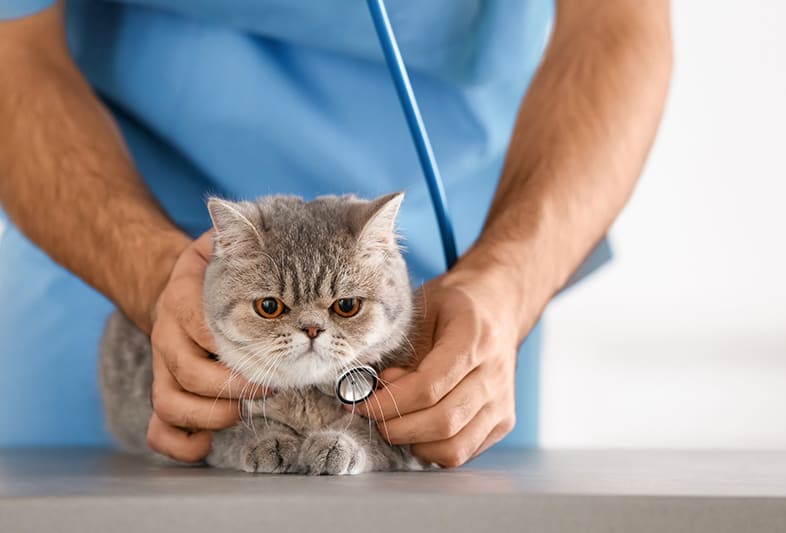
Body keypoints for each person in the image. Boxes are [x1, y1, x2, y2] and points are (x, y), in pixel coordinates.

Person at [0, 0, 671, 466]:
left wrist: (508, 282)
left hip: (450, 235)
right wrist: (150, 278)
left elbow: (619, 24)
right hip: (108, 206)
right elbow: (11, 49)